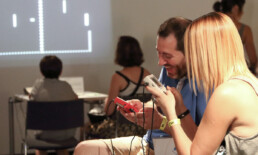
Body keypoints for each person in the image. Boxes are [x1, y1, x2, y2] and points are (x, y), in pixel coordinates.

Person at [74, 17, 207, 155]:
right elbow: (157, 103)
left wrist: (162, 123)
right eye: (158, 53)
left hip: (173, 149)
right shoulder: (169, 71)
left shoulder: (207, 84)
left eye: (167, 55)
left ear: (190, 52)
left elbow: (201, 142)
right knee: (83, 149)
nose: (160, 62)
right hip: (148, 143)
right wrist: (142, 108)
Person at [146, 12, 258, 155]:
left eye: (192, 50)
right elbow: (203, 145)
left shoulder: (227, 94)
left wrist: (171, 114)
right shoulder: (248, 83)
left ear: (206, 52)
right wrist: (181, 110)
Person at [87, 36, 151, 138]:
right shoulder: (147, 74)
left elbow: (109, 110)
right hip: (144, 130)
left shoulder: (118, 77)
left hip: (122, 130)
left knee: (89, 127)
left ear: (119, 54)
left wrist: (106, 101)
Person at [30, 55, 78, 155]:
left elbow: (32, 101)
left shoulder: (38, 86)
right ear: (61, 71)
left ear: (41, 71)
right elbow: (75, 99)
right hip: (66, 134)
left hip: (44, 134)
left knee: (40, 149)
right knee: (62, 147)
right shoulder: (66, 86)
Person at [213, 0, 257, 75]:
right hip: (233, 74)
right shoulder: (245, 30)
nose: (243, 13)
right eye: (242, 9)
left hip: (212, 71)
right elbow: (253, 60)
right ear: (235, 9)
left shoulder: (211, 25)